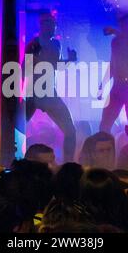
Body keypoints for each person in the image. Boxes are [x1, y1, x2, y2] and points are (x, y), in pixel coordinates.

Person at [25, 12, 77, 162]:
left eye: (54, 24)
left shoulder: (56, 44)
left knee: (70, 131)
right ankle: (14, 161)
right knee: (18, 129)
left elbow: (57, 67)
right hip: (35, 93)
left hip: (49, 93)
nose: (53, 27)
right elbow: (27, 69)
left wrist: (70, 60)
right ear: (43, 25)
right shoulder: (34, 44)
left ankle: (68, 164)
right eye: (50, 24)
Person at [98, 11, 128, 133]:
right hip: (117, 87)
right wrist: (103, 85)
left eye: (126, 21)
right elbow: (113, 65)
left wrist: (116, 33)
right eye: (121, 22)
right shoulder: (116, 42)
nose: (123, 24)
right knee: (104, 125)